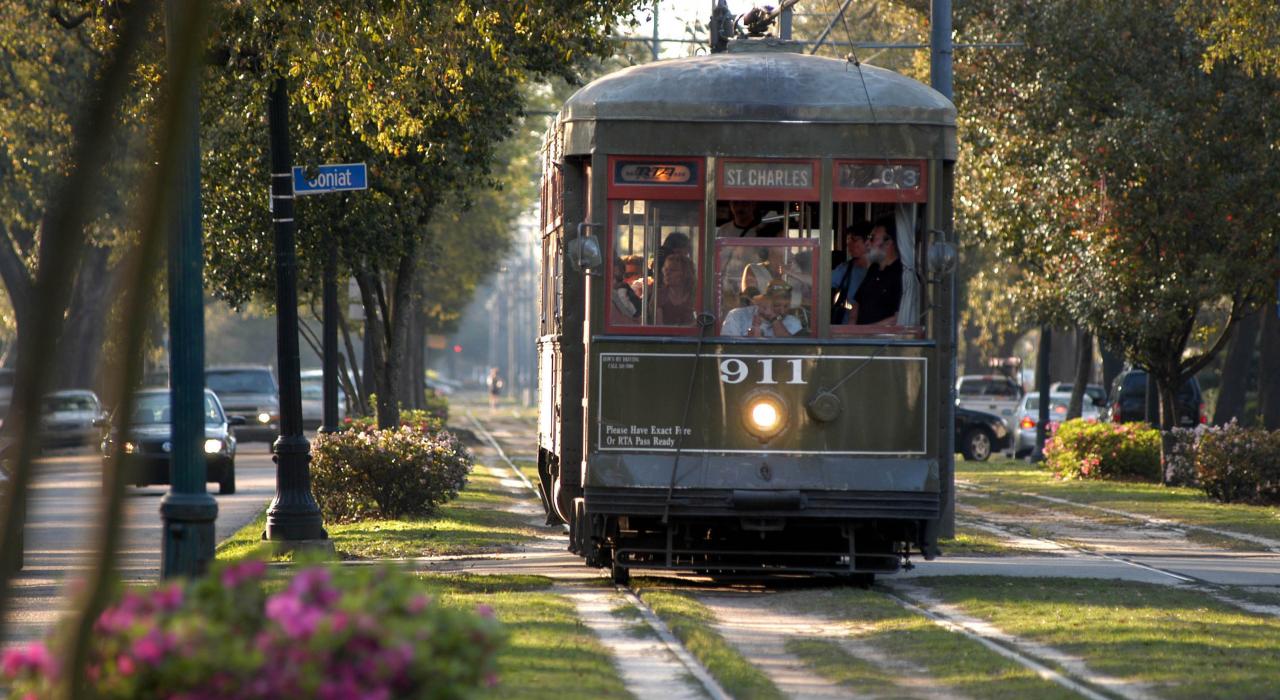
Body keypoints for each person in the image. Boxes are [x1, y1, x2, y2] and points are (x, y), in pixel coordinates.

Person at [851, 216, 903, 326]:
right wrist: (851, 328)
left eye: (872, 238)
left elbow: (898, 318)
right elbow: (857, 302)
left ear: (888, 242)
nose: (867, 243)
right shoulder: (873, 269)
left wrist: (866, 332)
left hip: (883, 341)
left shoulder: (902, 274)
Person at [720, 280, 802, 337]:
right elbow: (727, 348)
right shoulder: (736, 316)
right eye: (777, 305)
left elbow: (789, 349)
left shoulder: (793, 322)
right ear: (765, 300)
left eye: (786, 306)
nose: (782, 311)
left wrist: (774, 318)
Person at [831, 224, 871, 324]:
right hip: (847, 325)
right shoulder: (845, 268)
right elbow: (822, 281)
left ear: (868, 242)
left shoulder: (880, 270)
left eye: (855, 240)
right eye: (848, 241)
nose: (850, 244)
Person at [654, 254, 696, 326]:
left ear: (685, 273)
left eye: (673, 270)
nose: (667, 273)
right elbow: (659, 327)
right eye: (665, 269)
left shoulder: (695, 295)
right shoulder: (659, 295)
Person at [611, 257, 641, 324]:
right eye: (612, 277)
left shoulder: (622, 290)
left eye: (618, 278)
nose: (614, 281)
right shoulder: (613, 295)